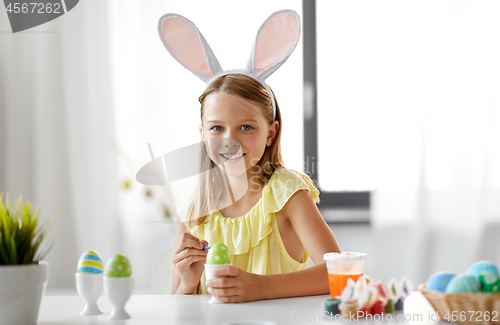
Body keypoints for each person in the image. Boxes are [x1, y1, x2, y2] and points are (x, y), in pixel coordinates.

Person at [158, 10, 341, 303]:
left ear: (270, 133)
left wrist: (261, 287)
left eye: (246, 127)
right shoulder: (193, 212)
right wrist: (188, 285)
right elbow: (179, 304)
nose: (230, 141)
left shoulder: (287, 192)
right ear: (203, 134)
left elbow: (339, 274)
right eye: (217, 128)